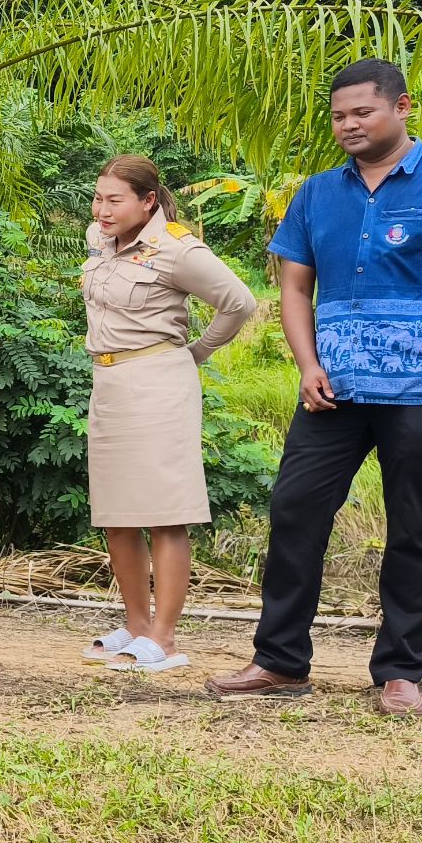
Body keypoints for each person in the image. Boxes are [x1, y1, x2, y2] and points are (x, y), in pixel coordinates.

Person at [208, 59, 422, 714]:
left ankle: (402, 670)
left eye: (362, 113)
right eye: (339, 115)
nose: (348, 125)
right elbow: (293, 286)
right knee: (294, 510)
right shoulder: (317, 193)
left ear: (402, 106)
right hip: (334, 389)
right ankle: (280, 660)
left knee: (411, 524)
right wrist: (306, 362)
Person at [79, 154, 258, 672]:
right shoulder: (98, 240)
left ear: (147, 201)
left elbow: (239, 302)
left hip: (158, 383)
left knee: (164, 512)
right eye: (98, 197)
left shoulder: (177, 250)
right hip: (108, 382)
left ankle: (164, 637)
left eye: (115, 200)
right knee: (117, 514)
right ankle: (135, 625)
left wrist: (195, 352)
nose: (103, 209)